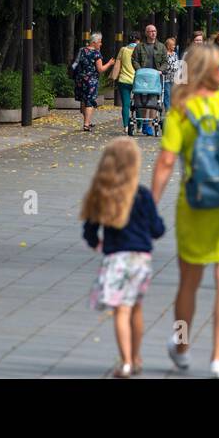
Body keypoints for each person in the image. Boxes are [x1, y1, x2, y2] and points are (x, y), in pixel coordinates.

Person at [152, 42, 219, 379]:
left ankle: (182, 347)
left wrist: (150, 205)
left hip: (195, 203)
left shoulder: (181, 111)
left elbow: (166, 163)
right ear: (214, 71)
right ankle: (218, 358)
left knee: (189, 283)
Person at [82, 137, 165, 378]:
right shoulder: (142, 195)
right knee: (136, 308)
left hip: (117, 259)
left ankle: (126, 362)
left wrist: (96, 243)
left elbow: (89, 229)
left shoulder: (103, 194)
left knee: (121, 311)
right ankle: (137, 357)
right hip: (141, 259)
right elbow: (158, 229)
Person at [72, 32, 116, 132]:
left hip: (80, 79)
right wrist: (109, 63)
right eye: (99, 42)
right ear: (94, 42)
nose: (100, 44)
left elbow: (76, 63)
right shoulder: (96, 54)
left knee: (83, 100)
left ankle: (86, 121)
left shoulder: (82, 50)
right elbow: (100, 69)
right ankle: (86, 124)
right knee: (90, 101)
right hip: (91, 81)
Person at [132, 24, 170, 134]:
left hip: (156, 78)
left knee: (153, 102)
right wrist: (139, 70)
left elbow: (165, 62)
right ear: (146, 33)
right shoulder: (139, 47)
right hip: (143, 78)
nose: (153, 33)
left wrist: (160, 70)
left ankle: (150, 124)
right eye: (150, 31)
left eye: (154, 31)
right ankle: (145, 123)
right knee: (143, 102)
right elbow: (134, 60)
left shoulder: (161, 46)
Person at [116, 37, 137, 132]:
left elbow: (118, 63)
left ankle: (126, 126)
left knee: (126, 104)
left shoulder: (123, 49)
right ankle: (139, 126)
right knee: (138, 103)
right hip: (137, 80)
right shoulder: (140, 49)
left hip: (123, 80)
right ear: (138, 40)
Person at [163, 37, 182, 115]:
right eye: (173, 45)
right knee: (167, 94)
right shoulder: (165, 54)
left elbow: (177, 63)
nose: (174, 46)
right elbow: (165, 65)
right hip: (167, 78)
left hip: (174, 78)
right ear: (168, 46)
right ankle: (168, 110)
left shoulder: (175, 54)